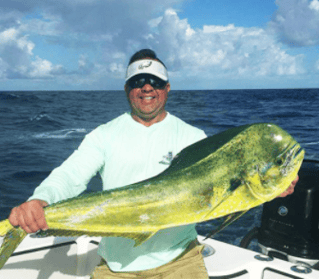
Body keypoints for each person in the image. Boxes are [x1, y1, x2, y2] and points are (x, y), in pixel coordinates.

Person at [8, 49, 298, 279]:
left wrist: (275, 188)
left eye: (155, 82)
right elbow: (70, 174)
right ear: (127, 89)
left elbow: (227, 192)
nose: (147, 87)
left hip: (180, 261)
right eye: (138, 82)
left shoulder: (194, 138)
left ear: (167, 88)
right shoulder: (104, 135)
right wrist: (40, 199)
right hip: (116, 266)